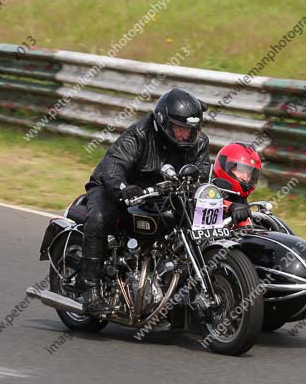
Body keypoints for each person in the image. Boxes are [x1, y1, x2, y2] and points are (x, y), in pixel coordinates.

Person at [82, 88, 211, 315]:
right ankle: (90, 291)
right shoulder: (139, 134)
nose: (185, 135)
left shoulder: (198, 143)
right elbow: (113, 167)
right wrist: (123, 188)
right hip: (115, 187)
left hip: (163, 192)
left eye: (191, 130)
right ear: (163, 122)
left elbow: (201, 175)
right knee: (100, 217)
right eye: (180, 129)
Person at [212, 143, 262, 227]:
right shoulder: (208, 190)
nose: (245, 178)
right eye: (241, 170)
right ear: (225, 166)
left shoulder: (241, 198)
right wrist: (229, 206)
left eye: (249, 173)